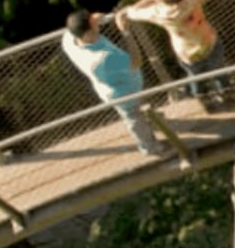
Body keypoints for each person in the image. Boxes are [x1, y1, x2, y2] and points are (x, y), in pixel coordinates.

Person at [117, 0, 235, 112]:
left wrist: (145, 1)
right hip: (209, 41)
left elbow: (132, 12)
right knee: (219, 68)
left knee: (196, 79)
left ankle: (205, 101)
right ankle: (227, 93)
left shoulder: (160, 13)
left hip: (188, 53)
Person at [61, 10, 163, 155]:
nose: (97, 26)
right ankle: (149, 147)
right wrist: (126, 32)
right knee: (133, 118)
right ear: (87, 34)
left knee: (139, 110)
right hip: (124, 94)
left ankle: (151, 123)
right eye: (94, 25)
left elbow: (72, 30)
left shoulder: (69, 40)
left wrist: (98, 19)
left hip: (114, 86)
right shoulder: (103, 59)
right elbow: (136, 61)